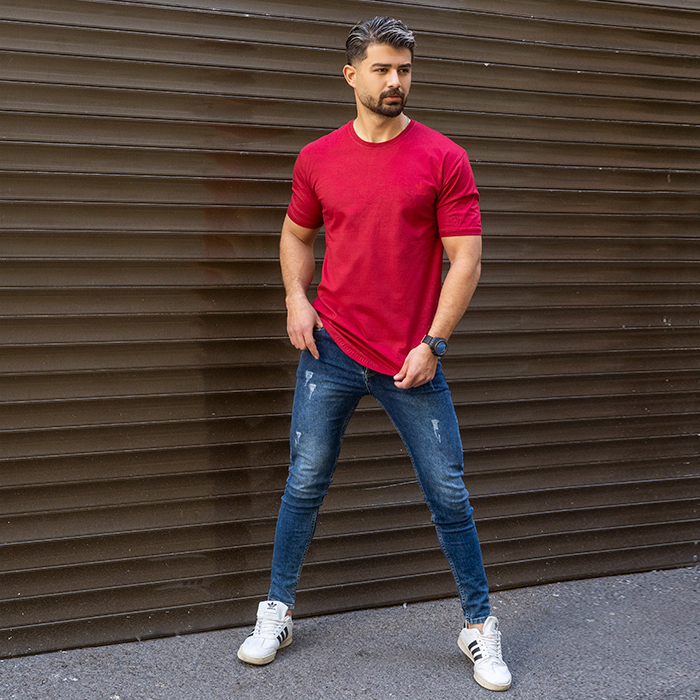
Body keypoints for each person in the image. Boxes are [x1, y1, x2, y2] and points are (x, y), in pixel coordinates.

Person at [237, 16, 512, 692]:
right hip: (329, 349)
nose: (396, 81)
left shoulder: (443, 157)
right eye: (383, 69)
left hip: (411, 358)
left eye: (405, 70)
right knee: (305, 481)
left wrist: (434, 342)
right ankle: (277, 611)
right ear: (351, 74)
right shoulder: (318, 158)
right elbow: (296, 235)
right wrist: (296, 300)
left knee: (448, 492)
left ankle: (479, 625)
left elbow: (467, 259)